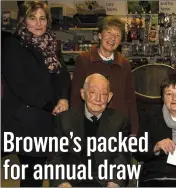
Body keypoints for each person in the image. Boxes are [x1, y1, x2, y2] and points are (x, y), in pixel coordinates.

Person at [2, 1, 70, 186]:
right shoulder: (13, 45)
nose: (38, 23)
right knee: (32, 175)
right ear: (24, 20)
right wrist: (50, 105)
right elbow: (21, 85)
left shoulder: (52, 44)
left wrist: (64, 98)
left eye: (42, 18)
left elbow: (62, 75)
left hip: (51, 120)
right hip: (27, 122)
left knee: (54, 172)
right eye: (33, 18)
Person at [49, 73, 129, 188]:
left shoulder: (120, 121)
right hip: (70, 182)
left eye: (104, 94)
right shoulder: (63, 119)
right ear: (83, 94)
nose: (98, 98)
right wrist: (63, 183)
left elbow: (121, 157)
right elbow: (56, 156)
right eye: (92, 93)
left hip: (104, 183)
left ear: (109, 97)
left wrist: (114, 183)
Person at [70, 16, 139, 135]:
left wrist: (134, 130)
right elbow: (76, 96)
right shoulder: (84, 60)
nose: (112, 39)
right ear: (100, 35)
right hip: (91, 126)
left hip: (119, 127)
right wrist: (74, 128)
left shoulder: (124, 64)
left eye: (117, 35)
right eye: (109, 33)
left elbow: (130, 99)